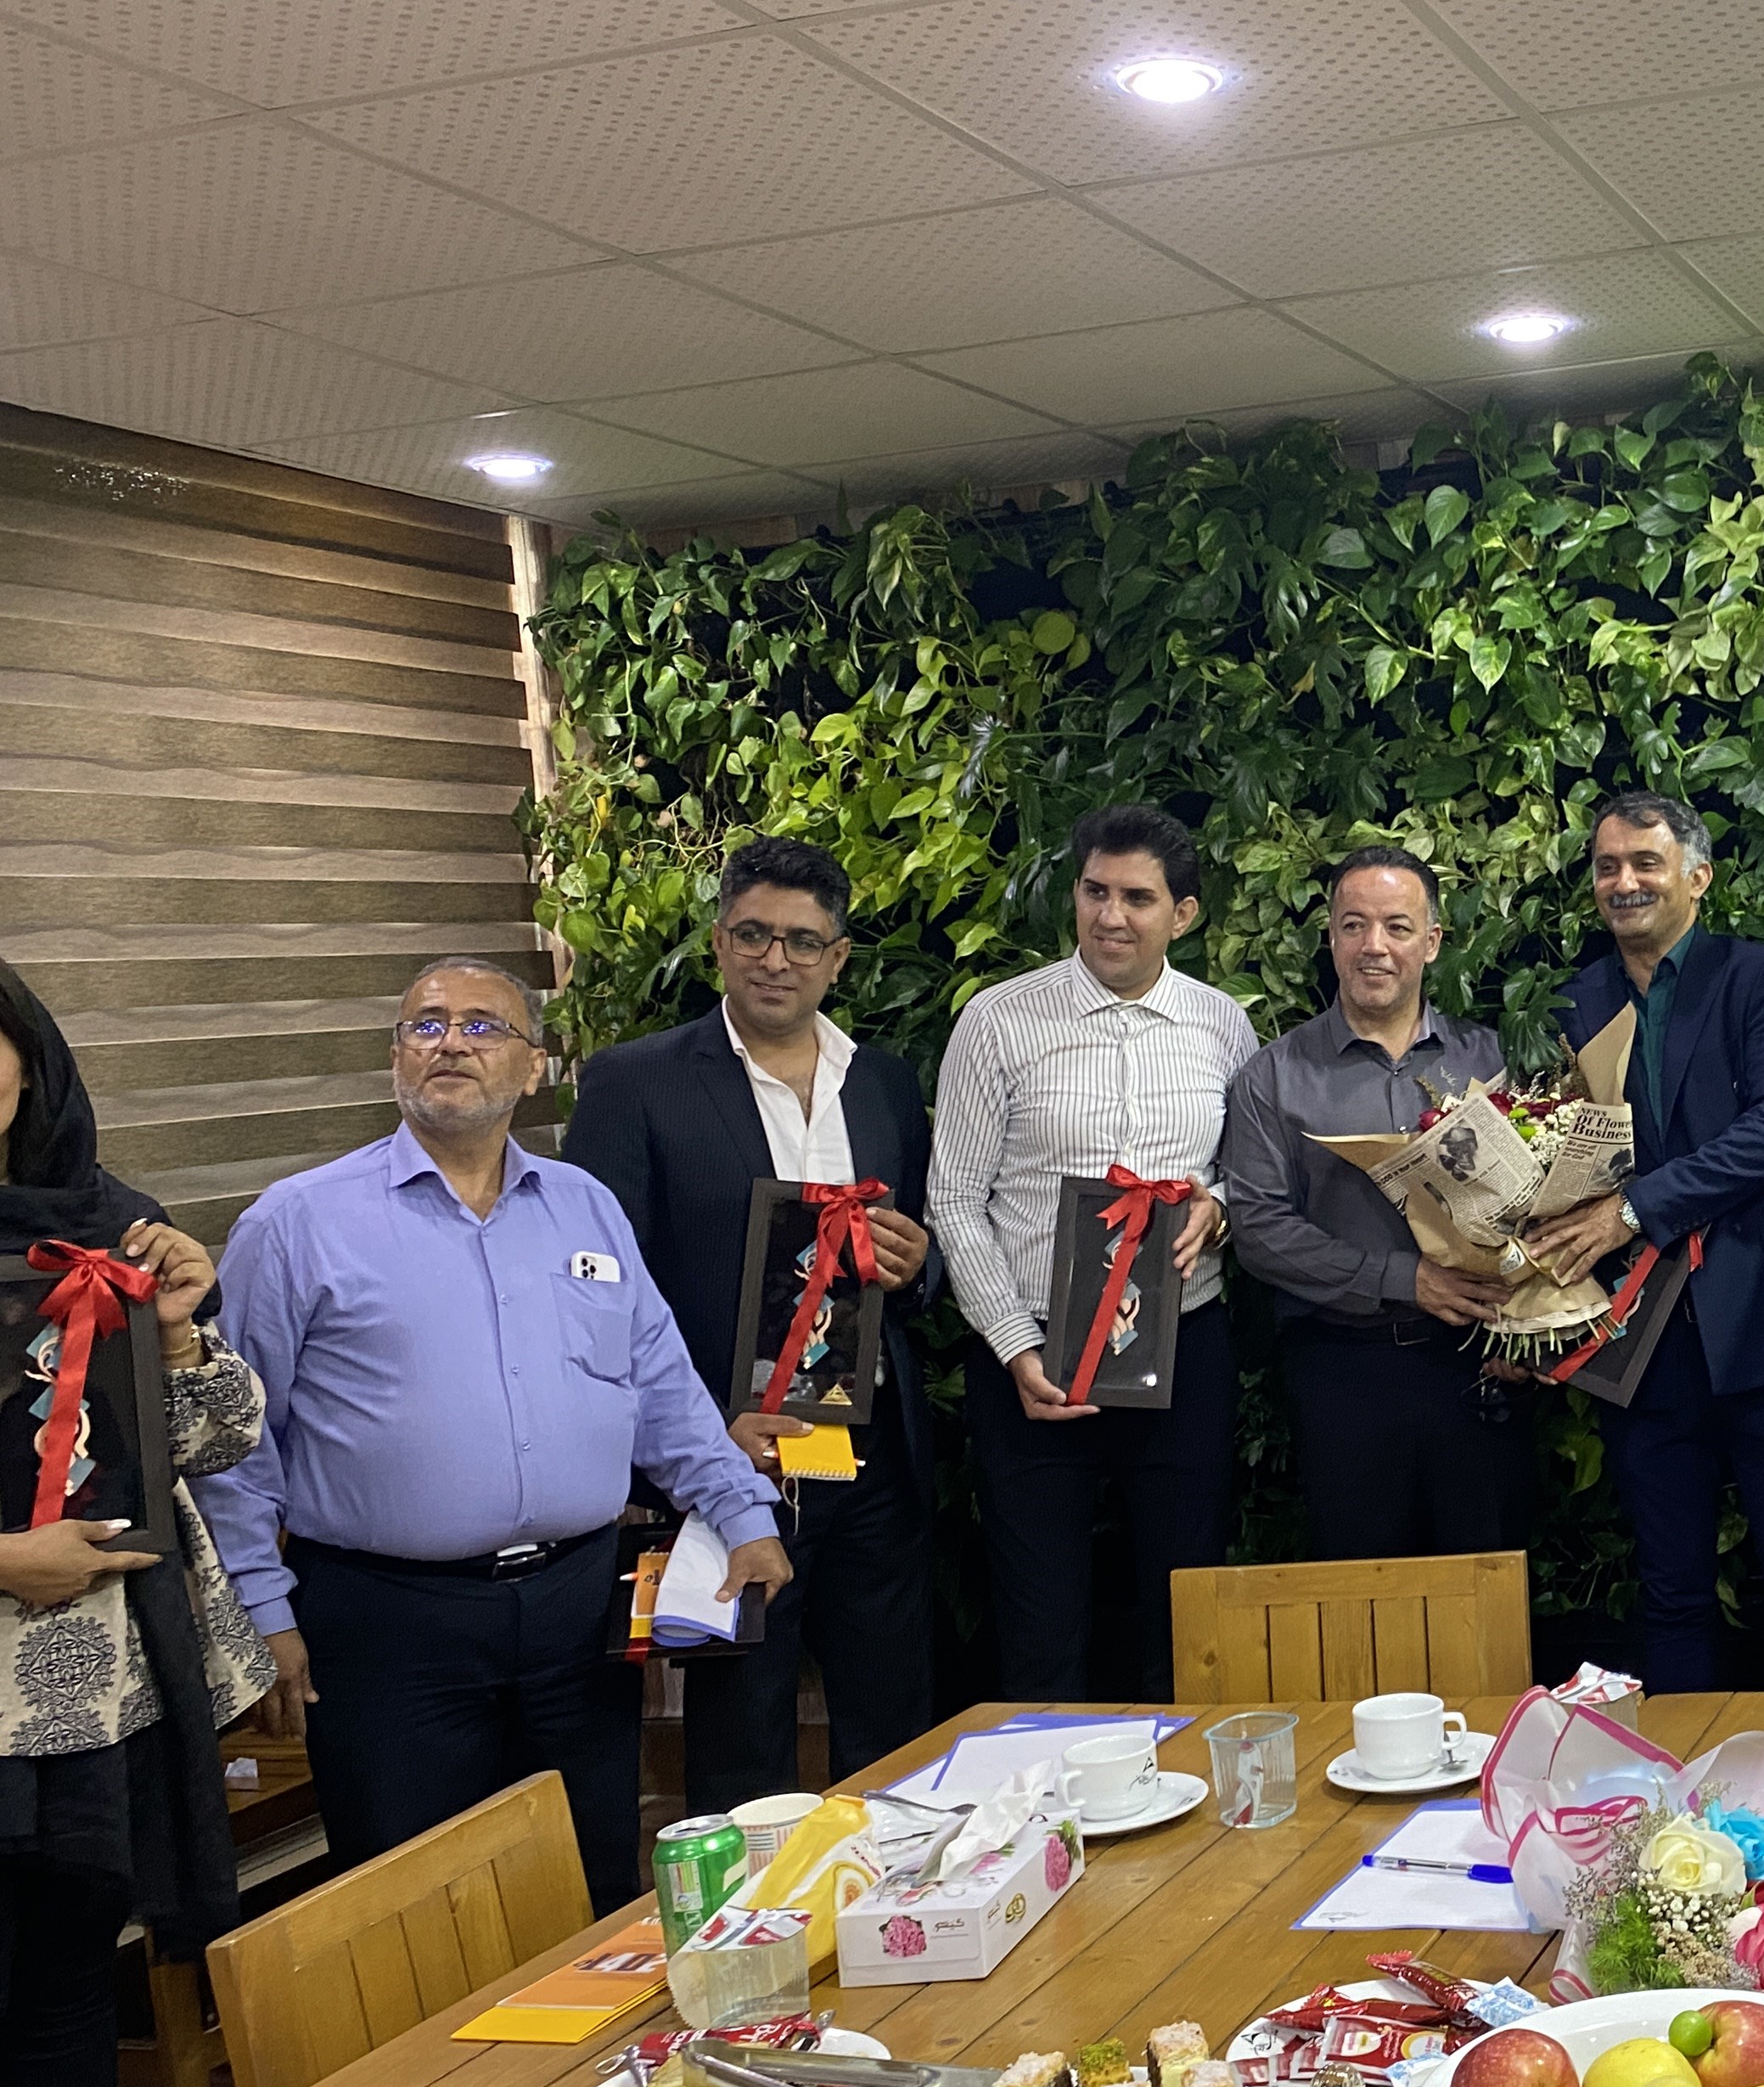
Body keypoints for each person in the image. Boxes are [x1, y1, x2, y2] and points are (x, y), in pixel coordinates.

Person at [209, 960, 787, 1913]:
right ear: (396, 1055)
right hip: (388, 1625)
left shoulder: (584, 1206)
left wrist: (743, 1511)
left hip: (575, 1611)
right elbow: (234, 1442)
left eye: (483, 1026)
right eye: (426, 1024)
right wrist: (261, 1610)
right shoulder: (295, 1223)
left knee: (589, 1889)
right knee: (413, 1908)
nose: (450, 1042)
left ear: (532, 1067)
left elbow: (660, 1387)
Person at [561, 835, 939, 1806]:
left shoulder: (884, 1082)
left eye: (803, 942)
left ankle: (902, 1886)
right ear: (719, 942)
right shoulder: (635, 1082)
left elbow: (916, 1255)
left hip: (869, 1452)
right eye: (754, 935)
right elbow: (601, 1291)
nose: (777, 959)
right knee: (743, 1729)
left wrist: (916, 1265)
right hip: (734, 1454)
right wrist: (695, 1438)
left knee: (894, 1718)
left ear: (838, 958)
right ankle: (752, 1901)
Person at [0, 962, 272, 2087]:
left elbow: (216, 1445)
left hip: (100, 1698)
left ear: (29, 1062)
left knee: (64, 1998)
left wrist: (174, 1332)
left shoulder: (109, 1225)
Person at [930, 803, 1256, 1703]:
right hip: (1034, 1354)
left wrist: (1220, 1210)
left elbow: (1250, 1174)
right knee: (1041, 1623)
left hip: (1182, 1346)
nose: (1111, 916)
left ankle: (1187, 1784)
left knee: (1186, 1615)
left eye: (1137, 899)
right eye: (1095, 892)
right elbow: (953, 1198)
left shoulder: (1223, 1025)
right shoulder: (998, 1021)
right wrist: (1014, 1347)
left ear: (1183, 915)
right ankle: (1047, 1790)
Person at [1525, 796, 1764, 1690]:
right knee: (1670, 1590)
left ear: (1697, 877)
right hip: (1637, 1342)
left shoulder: (1758, 977)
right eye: (1607, 867)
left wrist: (1633, 1209)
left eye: (1645, 864)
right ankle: (1677, 1772)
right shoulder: (1574, 1000)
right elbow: (1554, 1155)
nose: (1624, 882)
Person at [1222, 846, 1533, 1559]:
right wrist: (1403, 1279)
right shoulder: (1273, 1077)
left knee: (1486, 1588)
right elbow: (1261, 1230)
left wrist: (1525, 1334)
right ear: (1330, 937)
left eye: (1397, 926)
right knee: (1364, 1594)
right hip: (1344, 1374)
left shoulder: (1491, 1061)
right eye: (1354, 925)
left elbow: (1539, 1208)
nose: (1374, 946)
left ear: (1432, 942)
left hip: (1478, 1366)